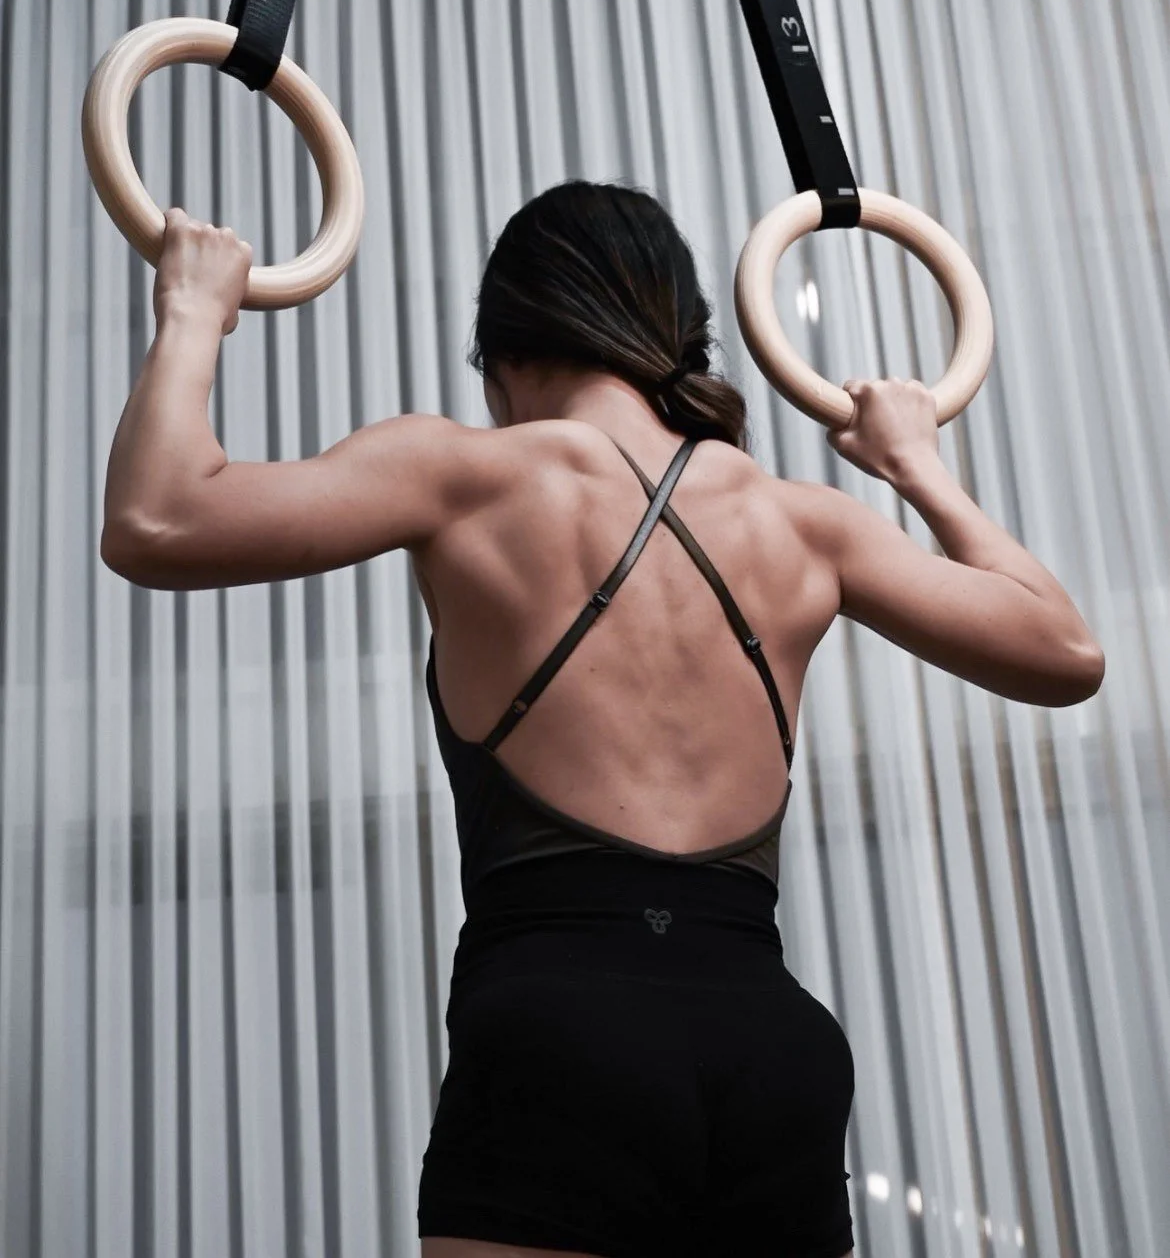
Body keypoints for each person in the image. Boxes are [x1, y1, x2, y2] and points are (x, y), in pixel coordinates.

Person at [101, 181, 1105, 1258]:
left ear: (505, 353)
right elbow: (1065, 653)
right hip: (773, 1051)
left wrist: (194, 309)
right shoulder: (804, 523)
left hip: (559, 1030)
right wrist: (917, 465)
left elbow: (156, 520)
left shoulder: (462, 473)